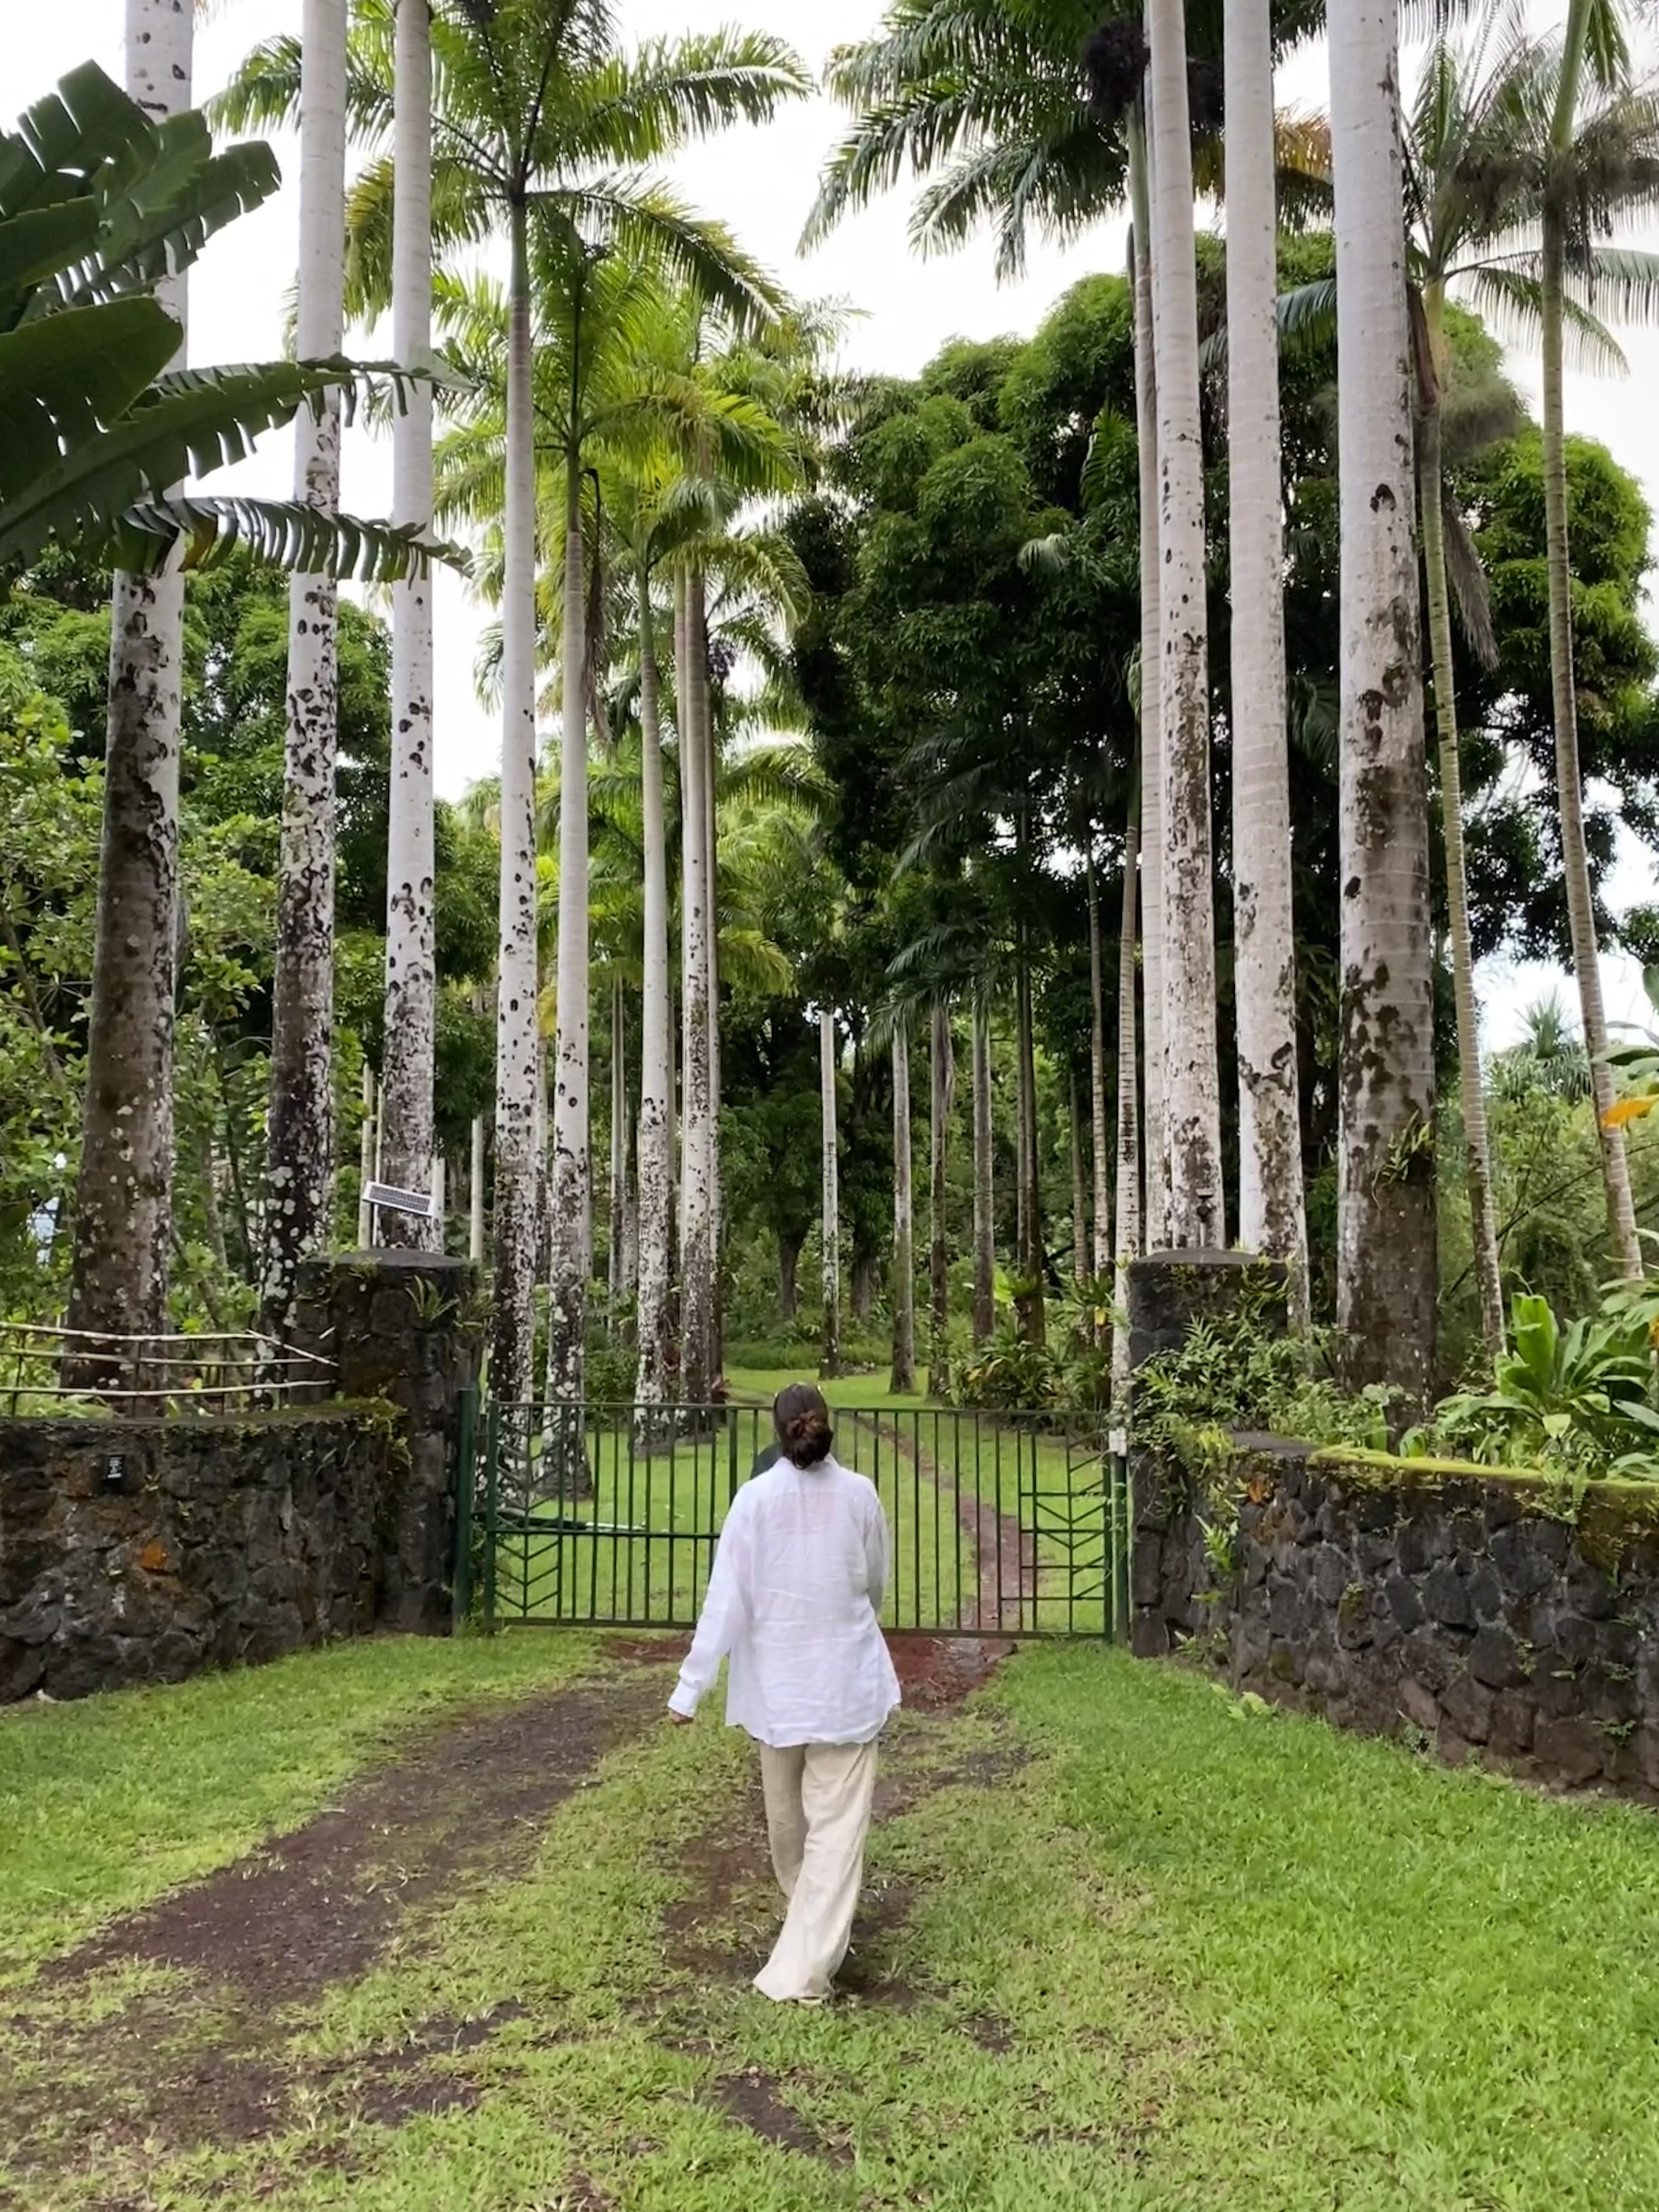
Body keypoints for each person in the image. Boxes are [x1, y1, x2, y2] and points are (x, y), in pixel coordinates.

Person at [668, 1383, 901, 2004]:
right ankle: (815, 1935)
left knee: (798, 1831)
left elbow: (726, 1601)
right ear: (828, 1427)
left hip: (782, 1692)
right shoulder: (859, 1496)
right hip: (843, 1686)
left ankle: (806, 1969)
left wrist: (690, 1689)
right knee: (821, 1834)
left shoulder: (755, 1500)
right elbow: (876, 1586)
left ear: (778, 1432)